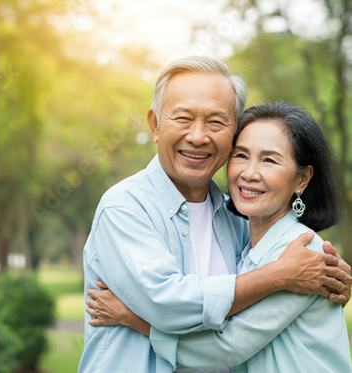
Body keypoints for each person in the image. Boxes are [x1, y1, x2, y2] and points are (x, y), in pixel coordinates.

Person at [78, 56, 351, 373]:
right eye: (183, 118)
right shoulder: (125, 207)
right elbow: (168, 306)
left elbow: (232, 341)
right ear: (154, 125)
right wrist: (280, 276)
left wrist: (331, 276)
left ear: (232, 132)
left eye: (216, 122)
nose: (197, 136)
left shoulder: (238, 221)